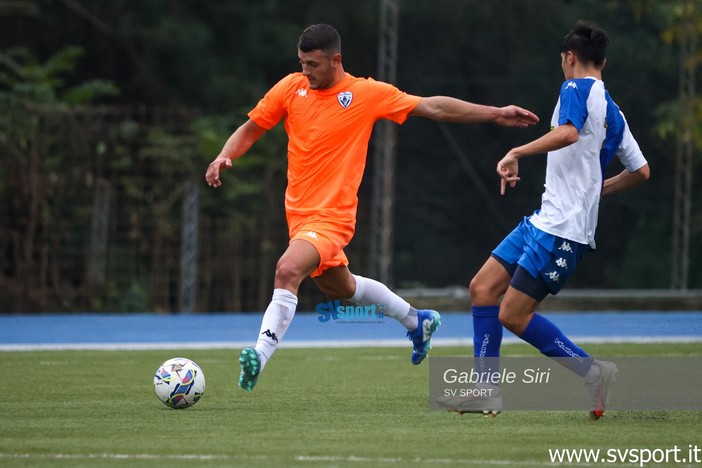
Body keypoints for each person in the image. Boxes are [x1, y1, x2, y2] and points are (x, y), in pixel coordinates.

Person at [205, 23, 539, 392]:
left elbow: (432, 107)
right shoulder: (291, 88)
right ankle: (417, 321)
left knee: (287, 270)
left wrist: (494, 113)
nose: (306, 71)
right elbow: (252, 128)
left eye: (313, 64)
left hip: (332, 218)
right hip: (298, 218)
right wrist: (224, 154)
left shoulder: (364, 93)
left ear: (336, 60)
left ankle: (258, 356)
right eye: (301, 62)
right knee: (343, 290)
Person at [462, 20, 650, 418]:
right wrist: (594, 191)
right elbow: (641, 171)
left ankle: (593, 372)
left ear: (570, 58)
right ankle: (485, 392)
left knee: (512, 314)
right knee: (482, 288)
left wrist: (516, 151)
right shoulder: (613, 110)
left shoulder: (574, 87)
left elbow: (566, 134)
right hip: (546, 220)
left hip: (561, 231)